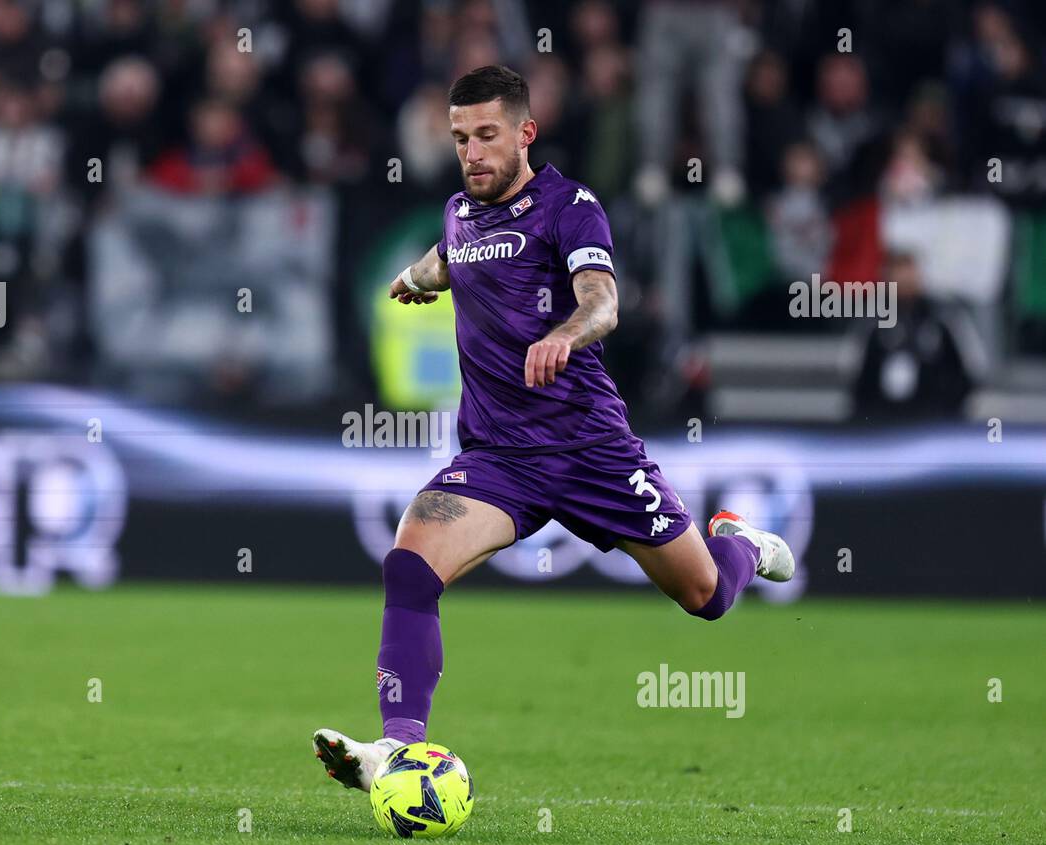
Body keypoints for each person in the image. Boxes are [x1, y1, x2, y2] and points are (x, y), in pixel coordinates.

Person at [313, 66, 793, 792]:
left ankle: (739, 543)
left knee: (705, 598)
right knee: (409, 564)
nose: (471, 153)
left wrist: (566, 336)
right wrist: (415, 279)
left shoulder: (570, 206)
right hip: (500, 457)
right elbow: (452, 257)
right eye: (459, 138)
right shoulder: (459, 213)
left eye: (486, 136)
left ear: (524, 133)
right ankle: (398, 747)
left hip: (589, 450)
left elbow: (603, 302)